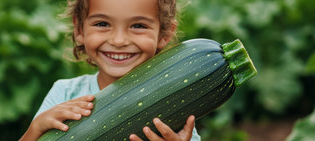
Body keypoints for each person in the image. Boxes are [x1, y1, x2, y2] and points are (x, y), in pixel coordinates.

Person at [20, 0, 201, 140]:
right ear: (79, 29)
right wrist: (36, 129)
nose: (118, 40)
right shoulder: (65, 93)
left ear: (164, 34)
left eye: (138, 26)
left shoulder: (174, 105)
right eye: (102, 24)